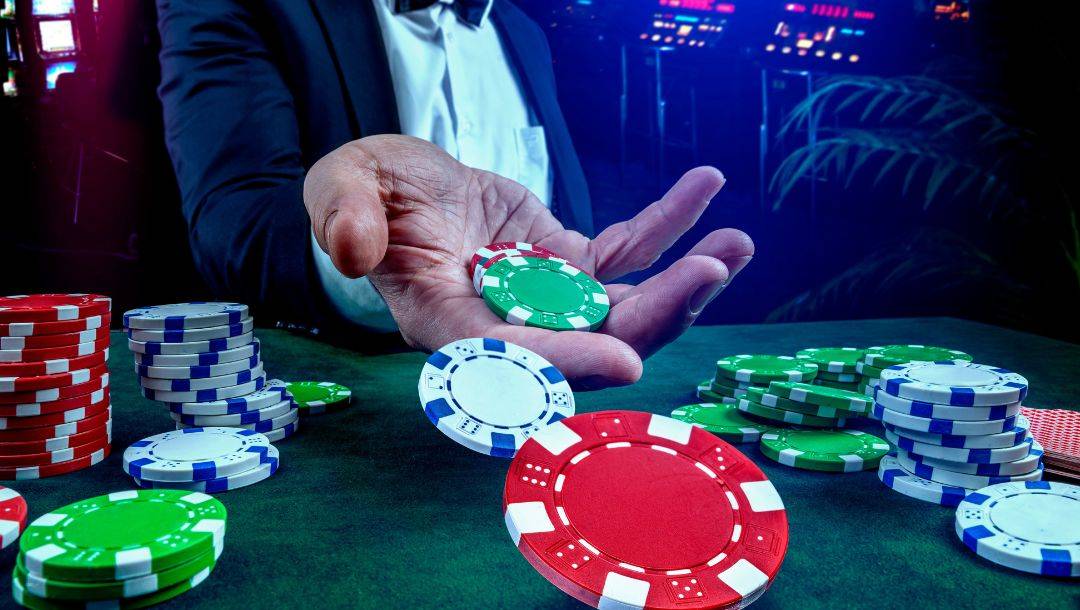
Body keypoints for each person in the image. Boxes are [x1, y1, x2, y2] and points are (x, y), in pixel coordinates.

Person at [155, 0, 754, 388]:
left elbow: (553, 230)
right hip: (347, 402)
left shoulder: (523, 31)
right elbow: (233, 227)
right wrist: (387, 257)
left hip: (534, 384)